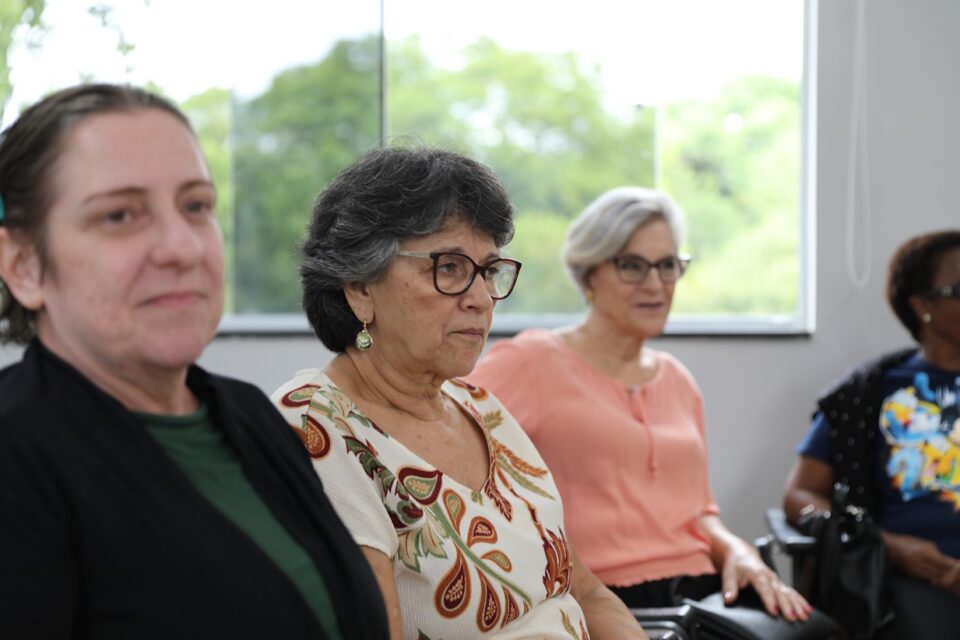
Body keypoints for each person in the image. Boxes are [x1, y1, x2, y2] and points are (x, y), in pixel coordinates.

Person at [0, 83, 387, 639]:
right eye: (119, 216)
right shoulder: (17, 461)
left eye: (196, 206)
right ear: (23, 264)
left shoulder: (248, 413)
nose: (181, 247)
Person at [271, 146, 648, 639]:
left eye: (489, 270)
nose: (480, 298)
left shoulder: (481, 408)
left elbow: (583, 591)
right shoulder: (315, 426)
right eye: (448, 268)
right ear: (360, 287)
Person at [466, 186, 811, 622]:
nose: (655, 284)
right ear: (588, 273)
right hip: (602, 600)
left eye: (667, 265)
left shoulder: (677, 379)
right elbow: (444, 434)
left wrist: (740, 553)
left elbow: (698, 515)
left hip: (705, 593)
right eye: (632, 265)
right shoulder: (531, 361)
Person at [784, 229, 960, 638]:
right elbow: (800, 495)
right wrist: (891, 547)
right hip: (914, 574)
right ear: (922, 306)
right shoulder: (866, 392)